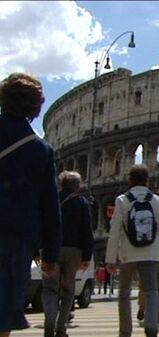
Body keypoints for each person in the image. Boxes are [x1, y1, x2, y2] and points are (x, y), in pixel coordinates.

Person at [0, 73, 61, 337]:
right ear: (37, 108)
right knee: (2, 312)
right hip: (15, 240)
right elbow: (49, 206)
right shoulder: (40, 150)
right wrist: (50, 255)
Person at [105, 164, 159, 337]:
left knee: (124, 294)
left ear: (130, 180)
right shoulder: (156, 200)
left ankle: (125, 331)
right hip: (152, 253)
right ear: (147, 181)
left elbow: (114, 231)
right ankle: (151, 328)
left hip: (128, 254)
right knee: (151, 291)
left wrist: (110, 259)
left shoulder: (122, 200)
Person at [42, 170, 94, 337]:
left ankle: (49, 324)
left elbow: (41, 224)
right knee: (68, 290)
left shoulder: (51, 200)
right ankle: (61, 328)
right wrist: (86, 256)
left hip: (52, 247)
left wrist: (37, 250)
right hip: (74, 250)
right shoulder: (82, 202)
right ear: (77, 186)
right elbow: (87, 230)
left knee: (50, 288)